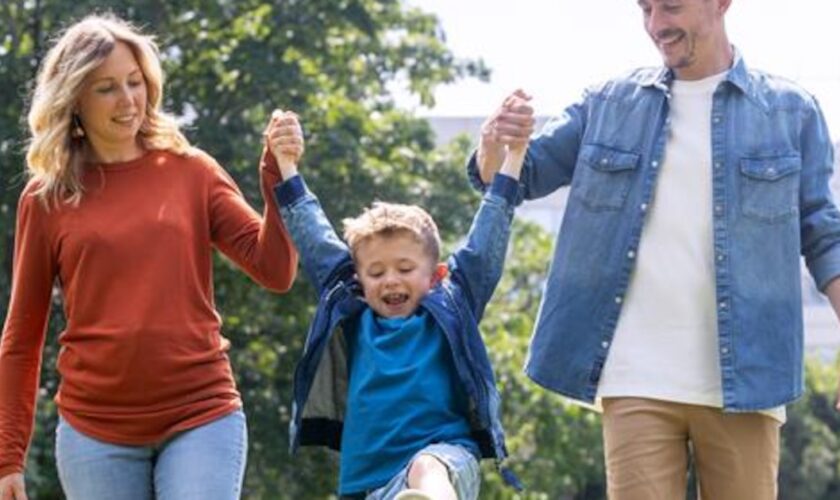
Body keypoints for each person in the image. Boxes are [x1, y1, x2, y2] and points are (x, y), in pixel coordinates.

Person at [470, 0, 840, 498]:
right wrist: (494, 144)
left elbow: (825, 236)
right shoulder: (607, 104)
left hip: (749, 378)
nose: (657, 25)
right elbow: (519, 176)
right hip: (634, 374)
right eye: (645, 9)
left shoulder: (791, 112)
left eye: (671, 6)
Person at [0, 14, 298, 500]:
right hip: (95, 431)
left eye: (135, 83)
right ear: (74, 98)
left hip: (201, 414)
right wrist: (8, 456)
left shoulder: (190, 170)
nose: (128, 100)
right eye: (107, 89)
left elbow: (275, 270)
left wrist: (277, 180)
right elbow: (22, 336)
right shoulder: (47, 198)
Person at [264, 108, 525, 500]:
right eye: (376, 272)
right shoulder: (351, 311)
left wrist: (515, 157)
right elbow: (314, 236)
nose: (390, 280)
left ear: (435, 275)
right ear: (359, 279)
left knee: (425, 467)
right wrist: (286, 164)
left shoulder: (454, 303)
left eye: (405, 268)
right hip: (366, 484)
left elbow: (487, 240)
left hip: (445, 459)